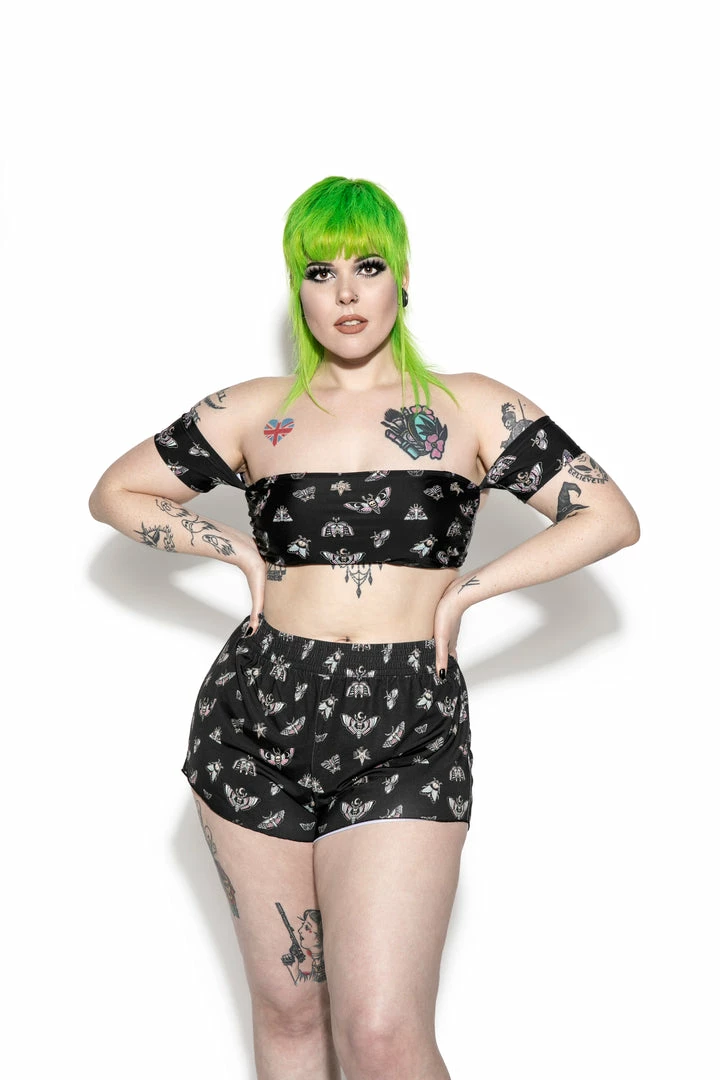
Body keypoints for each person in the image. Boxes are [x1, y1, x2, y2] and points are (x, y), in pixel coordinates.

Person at [89, 176, 640, 1080]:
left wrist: (468, 591)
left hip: (408, 718)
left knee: (382, 1033)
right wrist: (230, 549)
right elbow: (115, 491)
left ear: (404, 278)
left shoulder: (471, 405)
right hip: (255, 713)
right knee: (290, 1014)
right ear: (297, 289)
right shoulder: (252, 410)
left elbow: (609, 517)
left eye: (369, 267)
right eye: (320, 272)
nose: (345, 291)